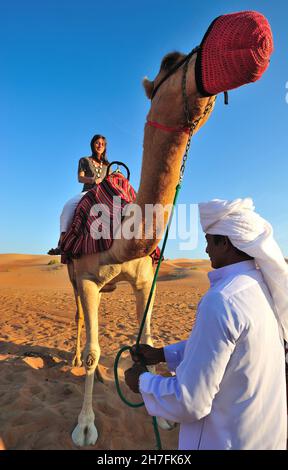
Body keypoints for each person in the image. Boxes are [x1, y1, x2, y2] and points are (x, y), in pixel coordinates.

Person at [124, 198, 288, 450]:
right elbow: (232, 349)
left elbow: (190, 401)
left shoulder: (222, 300)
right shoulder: (260, 287)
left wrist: (143, 383)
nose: (206, 250)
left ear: (224, 242)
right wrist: (162, 354)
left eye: (209, 241)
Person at [48, 134, 109, 255]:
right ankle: (62, 243)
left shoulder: (108, 166)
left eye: (102, 144)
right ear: (93, 144)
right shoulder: (85, 160)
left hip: (103, 193)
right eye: (97, 143)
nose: (100, 145)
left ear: (105, 147)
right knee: (68, 208)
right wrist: (93, 180)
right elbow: (80, 178)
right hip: (88, 192)